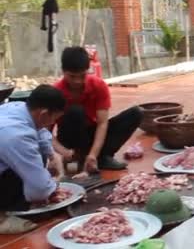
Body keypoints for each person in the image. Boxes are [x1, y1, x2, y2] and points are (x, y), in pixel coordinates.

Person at [53, 46, 143, 173]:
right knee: (75, 111)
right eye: (72, 76)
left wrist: (93, 154)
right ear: (63, 71)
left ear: (88, 70)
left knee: (136, 113)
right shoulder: (56, 91)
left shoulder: (98, 85)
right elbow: (44, 133)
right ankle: (78, 156)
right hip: (69, 138)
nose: (78, 81)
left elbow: (102, 123)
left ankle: (101, 157)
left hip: (90, 132)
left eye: (82, 75)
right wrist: (63, 151)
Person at [0, 85, 65, 234]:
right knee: (35, 181)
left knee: (38, 155)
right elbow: (39, 189)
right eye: (53, 119)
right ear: (44, 113)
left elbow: (41, 133)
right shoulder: (17, 135)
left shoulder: (19, 107)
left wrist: (51, 155)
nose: (51, 124)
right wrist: (53, 188)